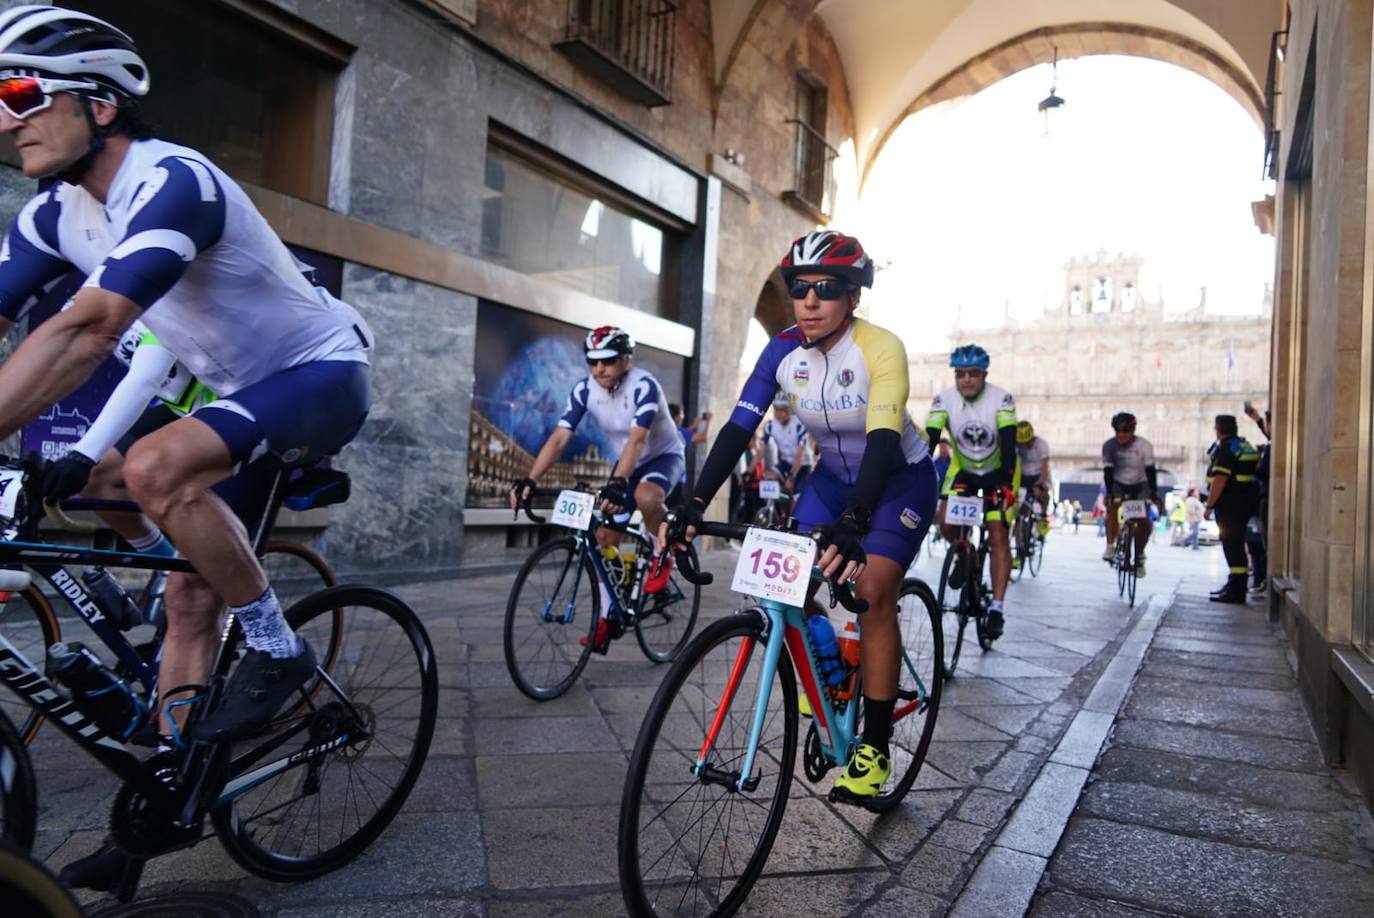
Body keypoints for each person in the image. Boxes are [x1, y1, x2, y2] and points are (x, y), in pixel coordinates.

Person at [0, 7, 374, 889]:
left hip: (321, 372)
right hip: (239, 394)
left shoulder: (178, 182)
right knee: (182, 602)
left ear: (100, 103)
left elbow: (89, 330)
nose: (5, 117)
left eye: (20, 93)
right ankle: (170, 799)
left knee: (153, 466)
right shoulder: (56, 214)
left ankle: (279, 646)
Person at [664, 230, 937, 803]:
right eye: (799, 288)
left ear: (853, 298)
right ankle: (830, 669)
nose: (810, 301)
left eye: (826, 289)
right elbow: (740, 428)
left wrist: (858, 521)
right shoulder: (780, 351)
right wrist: (693, 502)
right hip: (832, 481)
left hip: (897, 480)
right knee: (785, 578)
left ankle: (876, 745)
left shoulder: (880, 348)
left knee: (872, 587)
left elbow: (884, 438)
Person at [510, 326, 684, 650]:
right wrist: (530, 479)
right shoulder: (584, 389)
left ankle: (662, 551)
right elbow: (560, 436)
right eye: (592, 361)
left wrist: (618, 483)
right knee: (603, 538)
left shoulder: (644, 386)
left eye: (607, 361)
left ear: (626, 360)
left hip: (662, 457)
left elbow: (638, 439)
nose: (598, 368)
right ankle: (610, 614)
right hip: (626, 464)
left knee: (644, 495)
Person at [927, 344, 1017, 639]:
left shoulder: (1001, 398)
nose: (967, 379)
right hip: (963, 469)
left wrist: (1004, 485)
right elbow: (930, 439)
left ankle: (997, 609)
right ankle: (966, 558)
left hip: (999, 471)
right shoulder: (944, 399)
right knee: (946, 521)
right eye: (961, 373)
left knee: (998, 532)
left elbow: (1008, 443)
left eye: (973, 374)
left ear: (984, 375)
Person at [1203, 414, 1261, 603]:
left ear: (1218, 429)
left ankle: (1237, 590)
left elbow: (1220, 479)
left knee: (1232, 545)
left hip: (1231, 504)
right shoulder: (1244, 445)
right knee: (1238, 545)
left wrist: (1210, 505)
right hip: (1248, 501)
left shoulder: (1226, 449)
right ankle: (1235, 584)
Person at [1101, 412, 1159, 576]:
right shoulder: (1109, 446)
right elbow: (1108, 471)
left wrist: (1153, 493)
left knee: (1143, 520)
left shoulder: (1144, 445)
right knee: (1113, 507)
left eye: (1125, 431)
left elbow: (1150, 471)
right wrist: (1110, 493)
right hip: (1119, 483)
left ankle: (1140, 556)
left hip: (1141, 484)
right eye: (1118, 431)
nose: (1121, 435)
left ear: (1133, 430)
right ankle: (1110, 545)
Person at [1013, 420, 1051, 567]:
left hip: (1038, 475)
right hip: (1022, 477)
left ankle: (1043, 517)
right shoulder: (1016, 444)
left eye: (1027, 443)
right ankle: (1019, 550)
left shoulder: (1041, 444)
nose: (1024, 446)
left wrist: (1040, 484)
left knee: (1043, 493)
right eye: (1021, 443)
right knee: (1019, 514)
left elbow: (1044, 468)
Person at [760, 396, 812, 497]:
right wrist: (749, 470)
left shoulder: (799, 424)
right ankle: (776, 509)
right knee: (769, 477)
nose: (779, 414)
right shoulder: (770, 425)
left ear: (789, 411)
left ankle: (792, 509)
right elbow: (761, 451)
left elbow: (799, 455)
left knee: (796, 497)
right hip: (786, 461)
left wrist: (791, 477)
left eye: (782, 410)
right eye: (776, 410)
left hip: (803, 464)